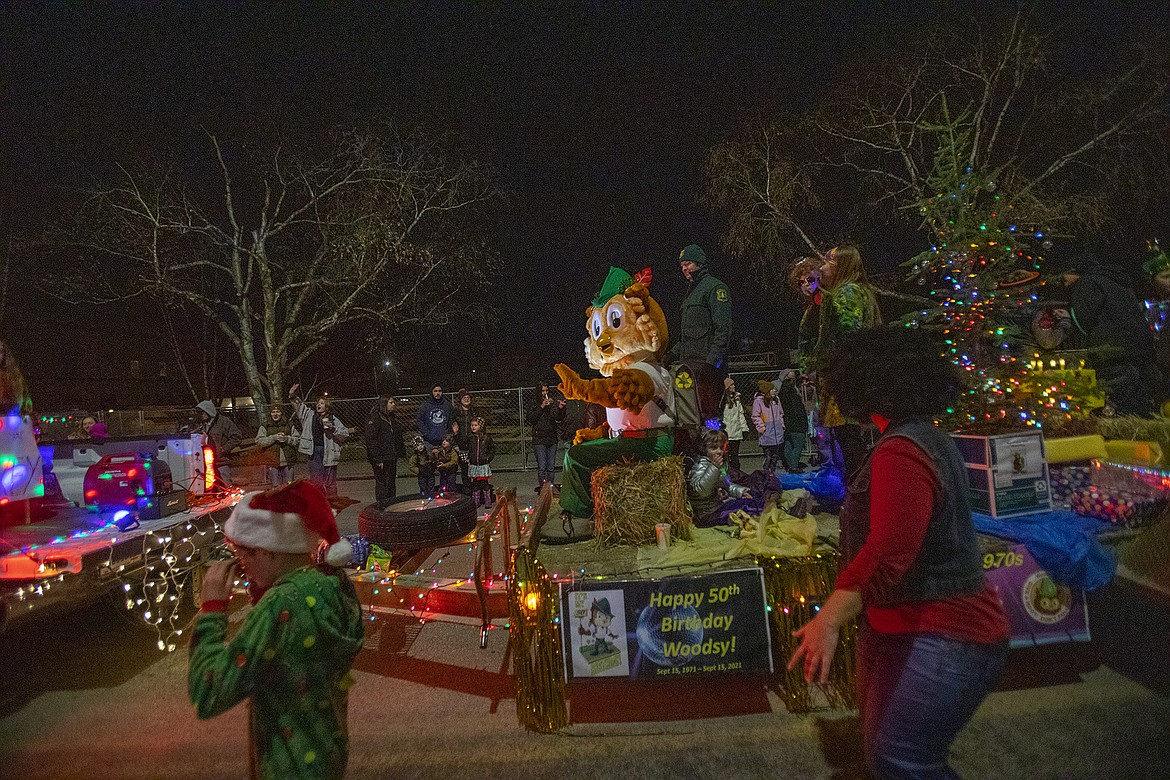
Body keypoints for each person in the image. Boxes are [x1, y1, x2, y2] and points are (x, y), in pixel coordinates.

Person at [788, 326, 1009, 779]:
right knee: (883, 754)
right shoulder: (922, 438)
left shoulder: (902, 451)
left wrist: (828, 619)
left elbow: (890, 550)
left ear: (864, 385)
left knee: (902, 760)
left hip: (944, 631)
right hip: (903, 626)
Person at [189, 480, 363, 780]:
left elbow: (209, 693)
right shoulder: (332, 586)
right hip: (326, 757)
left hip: (288, 768)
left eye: (246, 554)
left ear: (270, 551)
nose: (243, 566)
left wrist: (212, 610)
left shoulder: (280, 607)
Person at [1061, 247, 1161, 416]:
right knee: (1142, 397)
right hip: (1140, 346)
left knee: (1122, 398)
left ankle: (1128, 430)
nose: (1065, 284)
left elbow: (1084, 316)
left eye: (1065, 278)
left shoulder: (1086, 283)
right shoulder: (1116, 281)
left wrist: (1069, 316)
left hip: (1112, 350)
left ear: (1074, 271)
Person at [814, 244, 882, 479]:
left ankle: (859, 493)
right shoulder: (857, 291)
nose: (822, 268)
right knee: (850, 438)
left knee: (849, 439)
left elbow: (849, 336)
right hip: (852, 376)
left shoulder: (847, 293)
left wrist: (832, 368)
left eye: (828, 263)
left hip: (846, 380)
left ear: (841, 267)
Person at [668, 244, 732, 426]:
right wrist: (670, 354)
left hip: (706, 370)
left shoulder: (715, 288)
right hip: (688, 368)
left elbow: (723, 330)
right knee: (690, 419)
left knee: (710, 419)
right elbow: (687, 336)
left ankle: (716, 454)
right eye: (681, 266)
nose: (684, 269)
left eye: (687, 264)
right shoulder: (691, 293)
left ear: (699, 263)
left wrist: (711, 364)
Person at [288, 385, 349, 498]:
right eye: (317, 403)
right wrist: (292, 396)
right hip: (314, 451)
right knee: (316, 482)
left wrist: (333, 429)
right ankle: (319, 505)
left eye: (321, 403)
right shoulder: (310, 416)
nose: (318, 405)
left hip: (329, 452)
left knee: (330, 482)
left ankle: (333, 505)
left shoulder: (333, 419)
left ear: (327, 406)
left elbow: (345, 434)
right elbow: (299, 407)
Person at [686, 426, 751, 526]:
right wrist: (714, 468)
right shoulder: (700, 465)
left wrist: (741, 492)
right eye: (714, 448)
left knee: (751, 501)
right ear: (704, 449)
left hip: (719, 505)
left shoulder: (720, 465)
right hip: (707, 513)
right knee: (748, 508)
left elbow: (727, 484)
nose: (719, 451)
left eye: (722, 448)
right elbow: (700, 490)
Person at [364, 396, 406, 509]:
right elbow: (371, 439)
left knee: (391, 482)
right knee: (382, 483)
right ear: (384, 404)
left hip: (391, 455)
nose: (394, 404)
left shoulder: (391, 418)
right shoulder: (375, 418)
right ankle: (382, 506)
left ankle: (391, 504)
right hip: (381, 457)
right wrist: (377, 458)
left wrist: (400, 451)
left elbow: (396, 436)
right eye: (391, 402)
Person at [196, 400, 243, 489]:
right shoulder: (203, 424)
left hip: (221, 461)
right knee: (212, 489)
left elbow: (237, 437)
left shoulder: (224, 422)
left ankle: (232, 502)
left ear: (208, 411)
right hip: (207, 462)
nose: (201, 415)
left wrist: (223, 449)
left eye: (203, 412)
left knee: (226, 487)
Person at [530, 381, 566, 492]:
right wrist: (541, 406)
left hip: (551, 438)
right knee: (542, 467)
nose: (545, 393)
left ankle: (550, 489)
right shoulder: (533, 403)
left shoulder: (552, 402)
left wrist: (559, 407)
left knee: (551, 467)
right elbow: (531, 418)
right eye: (543, 391)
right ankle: (543, 489)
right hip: (539, 439)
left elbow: (558, 418)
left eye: (546, 390)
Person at [255, 403, 297, 487]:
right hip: (272, 462)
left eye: (278, 411)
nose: (275, 414)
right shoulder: (265, 426)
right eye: (273, 412)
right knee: (276, 487)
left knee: (289, 485)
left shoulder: (289, 425)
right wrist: (273, 438)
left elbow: (297, 439)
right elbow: (259, 441)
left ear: (281, 413)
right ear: (270, 414)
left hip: (288, 462)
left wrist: (287, 439)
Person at [776, 370, 809, 472]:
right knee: (798, 445)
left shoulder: (780, 394)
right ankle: (793, 466)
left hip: (786, 423)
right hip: (796, 424)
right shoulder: (792, 394)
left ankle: (790, 465)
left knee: (788, 444)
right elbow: (797, 410)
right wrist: (803, 422)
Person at [751, 380, 784, 474]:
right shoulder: (758, 401)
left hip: (777, 432)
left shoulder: (776, 400)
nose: (774, 390)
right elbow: (755, 416)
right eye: (772, 389)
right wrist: (762, 427)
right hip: (767, 433)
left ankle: (772, 474)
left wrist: (781, 425)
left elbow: (781, 413)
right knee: (768, 456)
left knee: (775, 457)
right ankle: (765, 474)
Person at [465, 416, 496, 508]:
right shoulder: (470, 438)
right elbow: (467, 449)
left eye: (475, 425)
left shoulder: (487, 438)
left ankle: (487, 500)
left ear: (481, 426)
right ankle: (476, 500)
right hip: (474, 464)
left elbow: (492, 450)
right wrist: (469, 459)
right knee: (475, 484)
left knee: (485, 483)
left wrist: (487, 459)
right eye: (472, 425)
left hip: (483, 464)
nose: (473, 427)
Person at [721, 377, 748, 471]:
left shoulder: (737, 399)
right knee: (726, 454)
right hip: (727, 432)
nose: (734, 386)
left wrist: (744, 428)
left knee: (735, 455)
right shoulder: (723, 401)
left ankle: (736, 472)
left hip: (736, 431)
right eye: (731, 385)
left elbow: (740, 414)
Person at [416, 384, 454, 449]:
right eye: (435, 391)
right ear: (432, 392)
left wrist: (447, 433)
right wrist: (427, 434)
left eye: (439, 391)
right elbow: (419, 421)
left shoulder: (447, 405)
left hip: (444, 441)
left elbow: (451, 420)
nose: (437, 393)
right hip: (429, 442)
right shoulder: (425, 406)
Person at [451, 388, 475, 493]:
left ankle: (476, 490)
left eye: (468, 397)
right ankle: (467, 490)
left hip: (473, 443)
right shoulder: (456, 412)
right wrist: (455, 438)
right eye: (464, 397)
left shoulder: (474, 411)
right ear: (460, 399)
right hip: (461, 443)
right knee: (464, 470)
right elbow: (452, 427)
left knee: (474, 469)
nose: (466, 399)